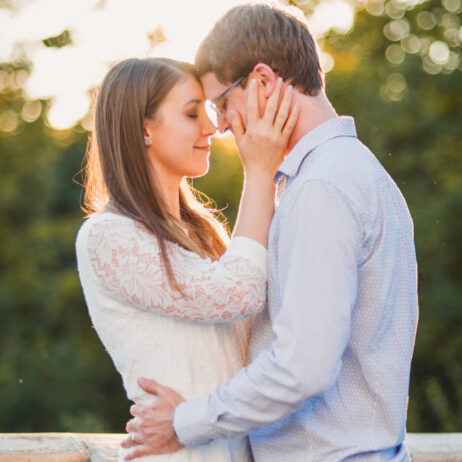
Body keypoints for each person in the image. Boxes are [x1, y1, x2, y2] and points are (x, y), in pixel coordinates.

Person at [122, 4, 419, 462]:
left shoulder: (322, 188)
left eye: (222, 102)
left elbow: (303, 367)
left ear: (262, 80)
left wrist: (184, 421)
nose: (219, 124)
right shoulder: (353, 172)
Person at [75, 56, 299, 461]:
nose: (212, 127)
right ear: (145, 126)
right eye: (192, 113)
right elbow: (241, 293)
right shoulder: (107, 236)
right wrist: (258, 171)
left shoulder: (202, 232)